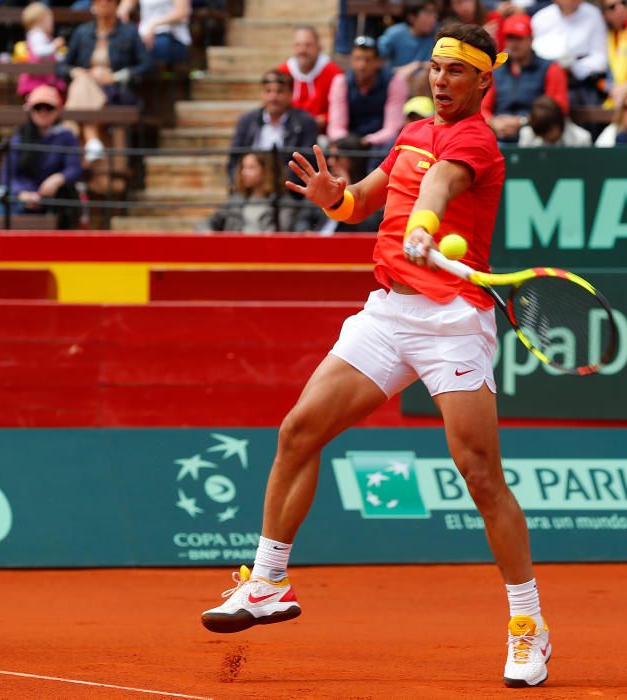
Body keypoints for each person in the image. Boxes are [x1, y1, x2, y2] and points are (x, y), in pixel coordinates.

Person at [200, 22, 552, 690]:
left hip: (452, 322)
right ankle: (267, 583)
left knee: (479, 475)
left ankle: (528, 624)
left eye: (456, 71)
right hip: (389, 311)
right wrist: (335, 198)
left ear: (484, 79)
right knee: (298, 432)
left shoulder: (475, 139)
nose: (441, 80)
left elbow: (440, 188)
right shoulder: (413, 131)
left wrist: (424, 228)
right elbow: (366, 200)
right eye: (434, 68)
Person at [57, 0, 152, 163]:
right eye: (99, 1)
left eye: (108, 1)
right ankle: (92, 141)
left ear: (116, 5)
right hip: (87, 89)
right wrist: (75, 71)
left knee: (81, 84)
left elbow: (146, 66)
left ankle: (72, 134)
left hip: (115, 92)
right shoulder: (82, 32)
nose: (103, 4)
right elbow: (62, 66)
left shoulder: (129, 32)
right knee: (82, 81)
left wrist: (116, 76)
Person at [0, 85, 82, 228]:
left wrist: (58, 179)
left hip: (51, 198)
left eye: (48, 107)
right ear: (30, 110)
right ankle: (3, 242)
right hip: (22, 197)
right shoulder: (18, 137)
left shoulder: (66, 136)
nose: (43, 112)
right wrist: (22, 194)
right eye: (38, 107)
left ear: (58, 110)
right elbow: (7, 176)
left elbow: (74, 168)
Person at [480, 12, 568, 143]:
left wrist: (524, 122)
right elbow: (481, 107)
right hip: (498, 134)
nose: (514, 43)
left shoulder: (551, 69)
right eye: (510, 38)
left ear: (531, 39)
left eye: (519, 38)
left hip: (537, 135)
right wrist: (493, 122)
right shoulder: (495, 70)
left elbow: (558, 110)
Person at [226, 69, 318, 189]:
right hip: (250, 191)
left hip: (290, 192)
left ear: (290, 94)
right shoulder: (247, 121)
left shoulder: (305, 123)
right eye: (268, 91)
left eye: (280, 91)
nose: (273, 97)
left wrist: (275, 179)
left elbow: (308, 164)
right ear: (261, 94)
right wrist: (242, 180)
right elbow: (234, 161)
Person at [327, 35, 407, 149]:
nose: (362, 65)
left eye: (367, 60)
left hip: (381, 145)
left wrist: (367, 141)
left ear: (378, 62)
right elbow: (336, 128)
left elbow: (392, 128)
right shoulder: (341, 82)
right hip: (349, 143)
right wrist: (352, 143)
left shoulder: (394, 82)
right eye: (357, 59)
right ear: (351, 60)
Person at [531, 0, 607, 106]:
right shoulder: (541, 18)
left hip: (581, 81)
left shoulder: (593, 14)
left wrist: (573, 67)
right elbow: (532, 53)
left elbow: (601, 58)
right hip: (545, 76)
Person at [206, 151, 295, 233]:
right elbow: (209, 222)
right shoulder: (236, 199)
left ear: (266, 171)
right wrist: (207, 231)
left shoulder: (283, 202)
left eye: (251, 168)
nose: (244, 172)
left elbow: (285, 231)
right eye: (243, 167)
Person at [277, 26, 343, 135]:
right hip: (289, 132)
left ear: (319, 47)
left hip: (323, 133)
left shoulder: (333, 72)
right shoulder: (283, 72)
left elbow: (342, 108)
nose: (302, 50)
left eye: (308, 45)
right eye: (298, 45)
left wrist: (325, 118)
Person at [378, 0, 440, 88]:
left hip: (425, 86)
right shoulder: (395, 34)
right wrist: (404, 70)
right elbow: (376, 64)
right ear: (412, 17)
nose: (434, 18)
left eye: (434, 13)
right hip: (396, 85)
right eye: (428, 13)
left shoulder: (436, 35)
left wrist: (420, 66)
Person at [117, 0, 191, 66]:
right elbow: (124, 8)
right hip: (144, 34)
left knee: (145, 51)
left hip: (172, 38)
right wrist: (123, 14)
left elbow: (182, 12)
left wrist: (153, 25)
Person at [17, 3, 67, 98]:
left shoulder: (41, 36)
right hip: (37, 80)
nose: (52, 23)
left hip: (43, 79)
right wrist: (54, 46)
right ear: (41, 20)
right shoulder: (36, 34)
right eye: (50, 19)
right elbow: (39, 52)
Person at [517, 94, 592, 146]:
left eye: (546, 133)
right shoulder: (527, 134)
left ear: (557, 125)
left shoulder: (581, 139)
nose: (545, 138)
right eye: (542, 135)